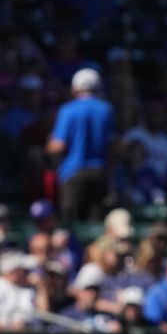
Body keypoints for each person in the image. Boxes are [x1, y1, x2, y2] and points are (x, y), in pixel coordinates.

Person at [46, 68, 114, 221]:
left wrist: (48, 144)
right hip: (99, 173)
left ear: (75, 88)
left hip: (73, 173)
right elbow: (111, 143)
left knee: (71, 226)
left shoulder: (68, 110)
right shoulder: (106, 109)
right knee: (94, 225)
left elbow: (58, 146)